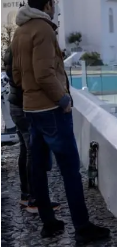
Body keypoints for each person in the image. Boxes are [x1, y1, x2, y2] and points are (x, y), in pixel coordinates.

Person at [11, 0, 110, 243]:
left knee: (38, 167)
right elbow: (44, 72)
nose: (55, 7)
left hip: (31, 108)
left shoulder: (20, 31)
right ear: (47, 5)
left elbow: (16, 74)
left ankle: (49, 223)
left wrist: (31, 94)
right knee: (70, 170)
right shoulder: (43, 29)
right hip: (51, 109)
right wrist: (63, 99)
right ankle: (82, 227)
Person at [3, 45, 61, 214]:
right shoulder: (24, 49)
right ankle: (35, 200)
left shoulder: (13, 47)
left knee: (25, 149)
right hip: (24, 106)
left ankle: (26, 194)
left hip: (15, 105)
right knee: (33, 151)